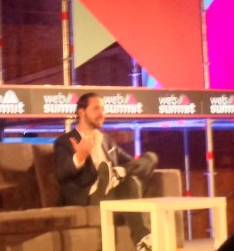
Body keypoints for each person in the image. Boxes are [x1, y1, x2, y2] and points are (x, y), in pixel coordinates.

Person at [54, 92, 158, 251]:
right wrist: (80, 156)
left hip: (114, 189)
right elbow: (61, 173)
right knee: (130, 182)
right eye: (96, 108)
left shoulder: (107, 140)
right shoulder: (65, 141)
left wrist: (124, 170)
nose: (102, 113)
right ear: (81, 112)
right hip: (89, 194)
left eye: (103, 109)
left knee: (149, 158)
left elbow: (132, 163)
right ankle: (143, 239)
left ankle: (115, 175)